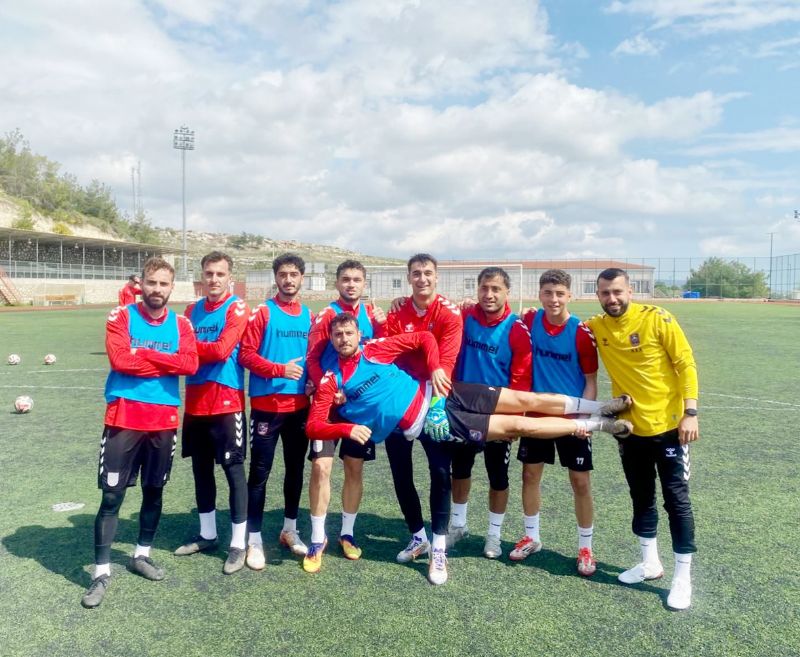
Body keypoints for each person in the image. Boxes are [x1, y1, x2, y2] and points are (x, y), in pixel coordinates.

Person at [81, 257, 198, 609]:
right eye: (152, 282)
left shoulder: (182, 324)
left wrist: (144, 353)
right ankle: (101, 572)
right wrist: (166, 361)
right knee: (112, 497)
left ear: (171, 287)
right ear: (141, 284)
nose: (157, 289)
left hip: (163, 420)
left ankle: (141, 555)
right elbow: (120, 360)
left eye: (163, 284)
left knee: (154, 491)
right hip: (124, 418)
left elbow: (190, 364)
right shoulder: (121, 316)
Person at [587, 268, 699, 611]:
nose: (612, 299)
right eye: (605, 293)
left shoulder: (657, 318)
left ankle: (683, 577)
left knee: (676, 502)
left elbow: (685, 363)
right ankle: (650, 563)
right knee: (641, 496)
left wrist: (690, 412)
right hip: (630, 431)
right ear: (598, 295)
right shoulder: (596, 326)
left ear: (630, 291)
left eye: (617, 291)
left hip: (669, 428)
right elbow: (559, 324)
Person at [509, 269, 600, 577]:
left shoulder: (581, 332)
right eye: (548, 293)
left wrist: (585, 419)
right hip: (537, 415)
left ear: (569, 295)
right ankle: (532, 537)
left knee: (580, 482)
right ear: (540, 294)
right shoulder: (530, 320)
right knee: (530, 475)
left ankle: (585, 547)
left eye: (560, 293)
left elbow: (590, 381)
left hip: (572, 419)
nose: (554, 299)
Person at [302, 260, 387, 571]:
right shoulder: (327, 314)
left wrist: (382, 326)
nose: (351, 284)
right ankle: (317, 539)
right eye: (346, 279)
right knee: (320, 468)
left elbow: (380, 353)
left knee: (354, 468)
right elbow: (312, 358)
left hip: (358, 407)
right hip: (328, 406)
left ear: (364, 283)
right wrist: (327, 387)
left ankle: (347, 533)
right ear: (337, 283)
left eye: (356, 279)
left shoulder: (372, 315)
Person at [384, 253, 463, 585]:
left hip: (434, 398)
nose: (422, 279)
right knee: (401, 471)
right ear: (409, 278)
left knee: (441, 472)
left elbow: (445, 364)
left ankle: (439, 548)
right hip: (401, 399)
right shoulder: (396, 312)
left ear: (436, 276)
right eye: (416, 273)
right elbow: (390, 354)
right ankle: (418, 537)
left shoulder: (449, 314)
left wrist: (437, 404)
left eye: (427, 273)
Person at [446, 267, 532, 560]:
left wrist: (515, 419)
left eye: (496, 289)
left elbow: (521, 380)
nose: (489, 294)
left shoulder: (516, 328)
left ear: (508, 292)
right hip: (463, 411)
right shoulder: (465, 316)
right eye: (484, 288)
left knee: (498, 477)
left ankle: (494, 535)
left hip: (498, 414)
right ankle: (458, 525)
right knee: (460, 471)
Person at [174, 252, 250, 574]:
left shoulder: (237, 307)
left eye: (220, 274)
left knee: (233, 472)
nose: (214, 279)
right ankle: (208, 534)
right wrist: (191, 351)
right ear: (202, 276)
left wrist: (191, 350)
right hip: (195, 402)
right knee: (201, 470)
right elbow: (183, 350)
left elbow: (221, 350)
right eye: (209, 273)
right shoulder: (191, 311)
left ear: (229, 277)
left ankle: (238, 543)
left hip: (227, 402)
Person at [237, 253, 312, 570]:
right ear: (276, 277)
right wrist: (279, 369)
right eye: (283, 274)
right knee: (260, 473)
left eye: (294, 274)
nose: (288, 279)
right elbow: (246, 355)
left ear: (301, 278)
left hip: (300, 408)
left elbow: (313, 357)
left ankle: (289, 530)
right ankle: (254, 540)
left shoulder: (308, 315)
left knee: (295, 470)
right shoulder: (263, 312)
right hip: (267, 408)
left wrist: (312, 381)